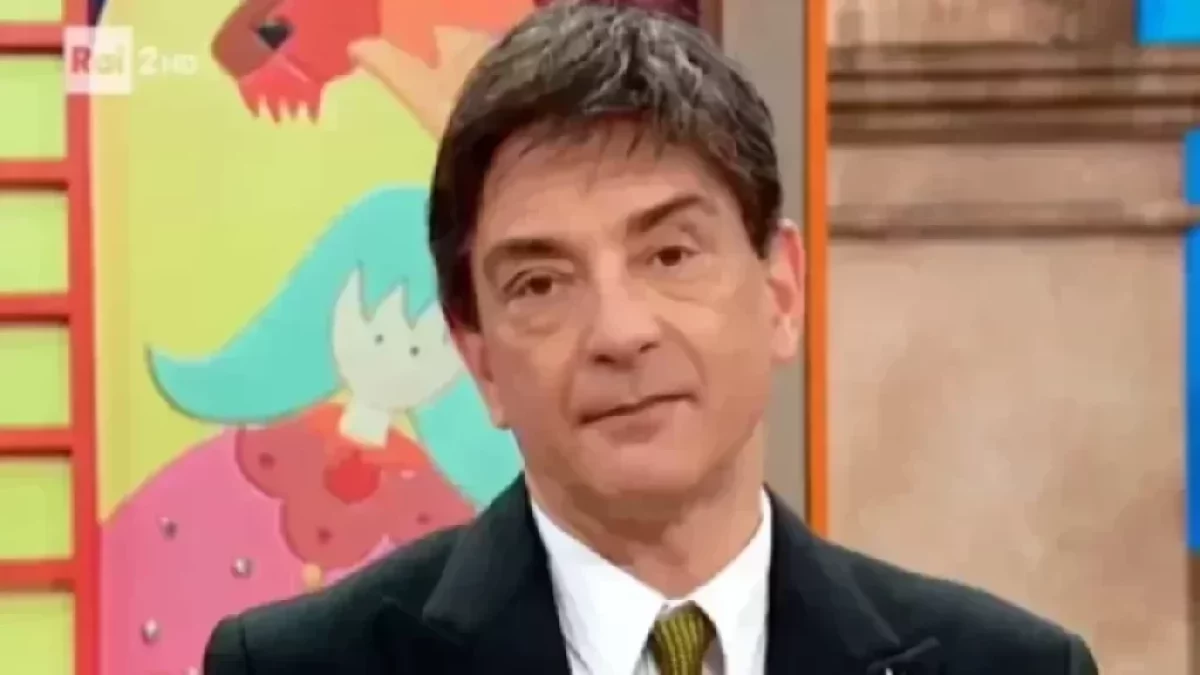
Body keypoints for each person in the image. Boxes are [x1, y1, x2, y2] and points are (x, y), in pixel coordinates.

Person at [202, 1, 1099, 673]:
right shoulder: (297, 666)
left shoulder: (1011, 666)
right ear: (478, 359)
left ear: (780, 289)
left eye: (670, 253)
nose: (620, 332)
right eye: (541, 282)